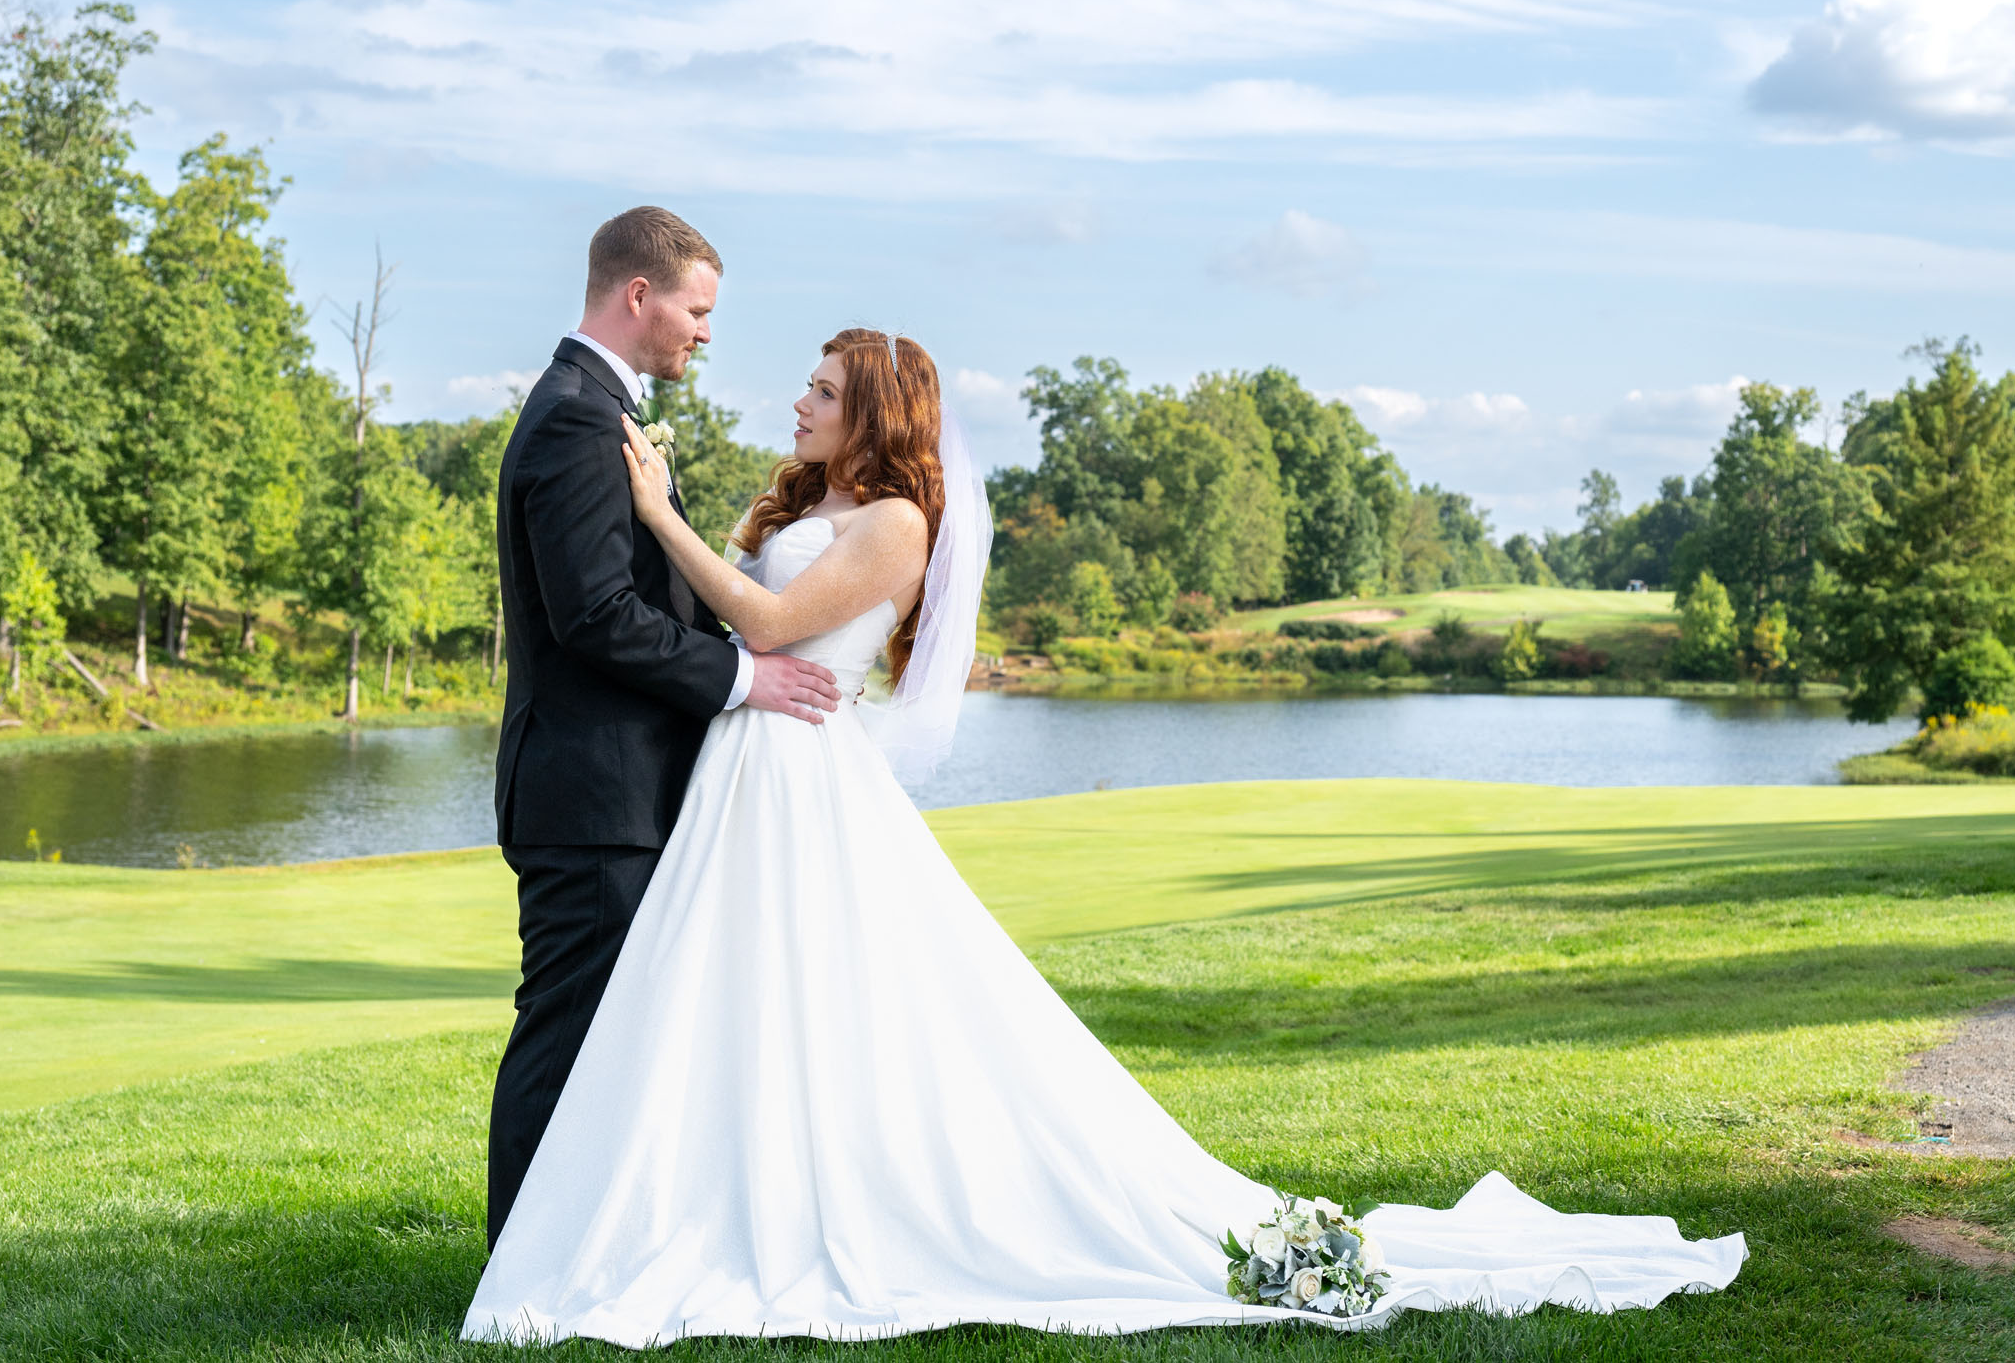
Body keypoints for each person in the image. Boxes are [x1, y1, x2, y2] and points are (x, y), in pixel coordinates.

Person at [462, 324, 1746, 1345]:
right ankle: (705, 1200)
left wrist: (658, 505)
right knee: (740, 1009)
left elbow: (765, 624)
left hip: (798, 771)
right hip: (744, 774)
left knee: (827, 1003)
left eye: (820, 387)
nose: (797, 401)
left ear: (876, 413)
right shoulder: (823, 497)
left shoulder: (897, 525)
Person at [484, 206, 845, 1251]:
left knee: (608, 1040)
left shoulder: (599, 407)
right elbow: (594, 614)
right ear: (638, 296)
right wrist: (744, 677)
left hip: (617, 788)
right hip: (593, 792)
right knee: (567, 1036)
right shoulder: (576, 417)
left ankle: (577, 1251)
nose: (705, 330)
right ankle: (520, 1272)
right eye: (696, 308)